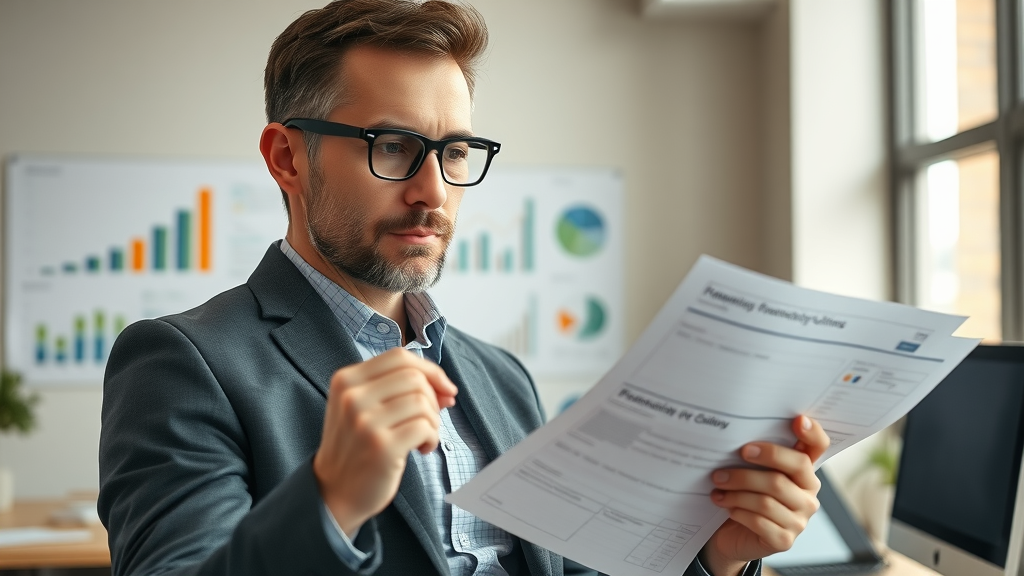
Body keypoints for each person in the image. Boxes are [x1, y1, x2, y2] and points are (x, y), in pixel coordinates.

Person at [98, 1, 829, 575]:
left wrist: (715, 556)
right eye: (392, 147)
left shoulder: (500, 378)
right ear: (288, 158)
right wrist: (330, 499)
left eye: (453, 152)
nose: (434, 192)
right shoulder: (182, 361)